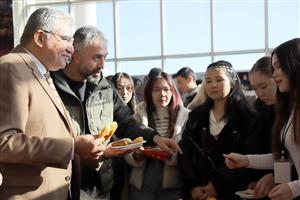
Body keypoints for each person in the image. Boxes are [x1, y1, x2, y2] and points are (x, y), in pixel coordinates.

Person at [51, 26, 181, 199]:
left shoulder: (104, 87)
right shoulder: (50, 86)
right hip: (63, 184)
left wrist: (155, 137)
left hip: (101, 185)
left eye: (105, 57)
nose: (103, 64)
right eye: (96, 57)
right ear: (76, 55)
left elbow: (126, 121)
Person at [0, 8, 104, 200]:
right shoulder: (10, 68)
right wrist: (72, 147)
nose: (72, 48)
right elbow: (4, 142)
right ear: (40, 38)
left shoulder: (42, 73)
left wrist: (89, 149)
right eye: (65, 39)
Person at [224, 38, 300, 200]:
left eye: (279, 66)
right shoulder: (285, 110)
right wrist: (247, 160)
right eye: (273, 68)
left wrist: (291, 185)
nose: (275, 73)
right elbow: (284, 156)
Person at [178, 60, 262, 200]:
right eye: (208, 81)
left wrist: (217, 184)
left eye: (219, 79)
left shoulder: (248, 117)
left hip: (235, 191)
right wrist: (193, 184)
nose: (213, 85)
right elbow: (184, 152)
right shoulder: (196, 117)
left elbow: (250, 154)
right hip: (199, 192)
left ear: (232, 82)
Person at [125, 71, 190, 200]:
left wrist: (173, 154)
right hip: (142, 181)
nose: (162, 94)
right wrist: (136, 155)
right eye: (156, 90)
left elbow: (189, 151)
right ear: (149, 92)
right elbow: (126, 146)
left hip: (174, 182)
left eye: (166, 89)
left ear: (173, 91)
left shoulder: (185, 116)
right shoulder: (139, 115)